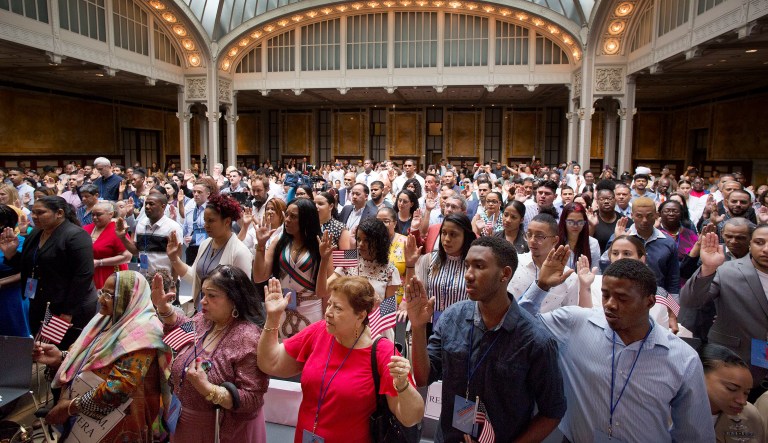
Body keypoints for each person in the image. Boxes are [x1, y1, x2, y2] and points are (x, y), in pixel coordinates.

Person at [518, 255, 714, 442]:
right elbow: (516, 327)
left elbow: (694, 435)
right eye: (605, 295)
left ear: (650, 301)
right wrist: (541, 286)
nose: (610, 304)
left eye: (622, 298)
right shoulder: (574, 324)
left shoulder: (683, 359)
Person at [406, 236, 565, 442]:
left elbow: (552, 412)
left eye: (479, 266)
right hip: (449, 437)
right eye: (467, 266)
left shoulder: (536, 341)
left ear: (504, 274)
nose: (468, 275)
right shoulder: (452, 317)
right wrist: (418, 327)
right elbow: (423, 378)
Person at [257, 275, 424, 443]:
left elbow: (412, 417)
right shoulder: (319, 331)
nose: (328, 312)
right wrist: (273, 317)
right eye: (329, 303)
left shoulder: (383, 352)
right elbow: (270, 363)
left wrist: (403, 386)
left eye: (337, 308)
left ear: (360, 316)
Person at [33, 271, 169, 440]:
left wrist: (69, 408)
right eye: (101, 292)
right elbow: (95, 357)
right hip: (88, 421)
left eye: (109, 295)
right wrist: (61, 357)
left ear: (129, 298)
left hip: (119, 424)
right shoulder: (106, 319)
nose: (101, 300)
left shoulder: (145, 333)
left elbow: (118, 388)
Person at [153, 265, 269, 442]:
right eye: (203, 294)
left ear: (234, 299)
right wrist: (163, 307)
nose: (203, 301)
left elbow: (252, 398)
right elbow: (183, 327)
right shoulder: (204, 319)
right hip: (183, 423)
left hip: (220, 431)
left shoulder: (247, 337)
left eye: (212, 296)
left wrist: (209, 389)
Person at [681, 228, 768, 402]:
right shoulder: (726, 270)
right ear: (750, 244)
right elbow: (691, 301)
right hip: (735, 362)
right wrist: (708, 268)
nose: (766, 249)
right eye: (760, 242)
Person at [0, 196, 96, 349]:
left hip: (68, 304)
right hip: (40, 301)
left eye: (40, 212)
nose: (34, 216)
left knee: (60, 349)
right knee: (40, 348)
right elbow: (31, 266)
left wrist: (68, 312)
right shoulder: (36, 233)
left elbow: (83, 275)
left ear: (59, 213)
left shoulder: (76, 235)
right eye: (33, 212)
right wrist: (11, 254)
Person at [253, 198, 329, 337]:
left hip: (311, 310)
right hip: (281, 308)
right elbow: (259, 277)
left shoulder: (321, 246)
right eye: (286, 214)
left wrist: (326, 317)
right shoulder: (278, 241)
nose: (287, 220)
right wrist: (261, 246)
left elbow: (324, 291)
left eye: (293, 216)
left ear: (306, 219)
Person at [578, 235, 680, 332]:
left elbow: (662, 334)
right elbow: (585, 323)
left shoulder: (657, 294)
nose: (619, 258)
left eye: (627, 254)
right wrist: (585, 287)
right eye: (615, 253)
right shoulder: (593, 282)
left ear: (641, 259)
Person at [168, 194, 252, 307]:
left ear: (227, 221)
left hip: (225, 314)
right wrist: (174, 258)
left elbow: (244, 294)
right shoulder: (205, 244)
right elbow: (194, 277)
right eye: (205, 220)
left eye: (211, 221)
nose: (206, 225)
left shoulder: (240, 252)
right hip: (202, 310)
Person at [508, 213, 579, 313]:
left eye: (539, 236)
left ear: (555, 240)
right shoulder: (514, 263)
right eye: (529, 234)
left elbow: (570, 315)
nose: (532, 240)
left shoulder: (569, 278)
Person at [699, 344, 765, 442]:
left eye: (746, 393)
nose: (742, 401)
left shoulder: (750, 415)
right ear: (700, 375)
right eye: (732, 389)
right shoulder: (676, 411)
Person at [329, 218, 400, 302]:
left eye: (366, 240)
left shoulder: (390, 270)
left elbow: (389, 309)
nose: (361, 244)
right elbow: (321, 291)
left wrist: (376, 299)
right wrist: (324, 259)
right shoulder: (350, 256)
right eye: (358, 239)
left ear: (379, 242)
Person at [116, 193, 184, 276]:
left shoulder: (173, 227)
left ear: (163, 206)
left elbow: (177, 258)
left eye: (151, 204)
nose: (147, 207)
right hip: (144, 276)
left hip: (166, 278)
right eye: (146, 204)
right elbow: (135, 251)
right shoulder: (141, 224)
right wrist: (123, 238)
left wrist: (173, 281)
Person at [84, 201, 132, 289]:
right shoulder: (86, 229)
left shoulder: (117, 230)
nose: (94, 217)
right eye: (92, 214)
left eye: (98, 214)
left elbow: (127, 257)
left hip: (112, 275)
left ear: (111, 214)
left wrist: (99, 262)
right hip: (90, 274)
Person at [0, 204, 30, 337]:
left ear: (2, 224)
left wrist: (1, 282)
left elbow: (28, 271)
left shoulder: (19, 242)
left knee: (14, 339)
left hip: (10, 297)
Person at [376, 207, 408, 304]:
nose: (381, 225)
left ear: (395, 223)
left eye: (386, 221)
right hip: (374, 300)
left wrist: (405, 301)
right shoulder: (369, 242)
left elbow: (412, 275)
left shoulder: (405, 242)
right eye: (378, 221)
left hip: (398, 300)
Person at [558, 202, 600, 270]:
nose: (575, 226)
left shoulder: (593, 243)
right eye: (570, 222)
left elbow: (595, 270)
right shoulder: (555, 241)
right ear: (564, 222)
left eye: (580, 222)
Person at [658, 200, 699, 264]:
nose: (671, 214)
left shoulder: (690, 234)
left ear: (681, 214)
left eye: (675, 211)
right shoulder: (655, 233)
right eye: (667, 211)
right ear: (660, 213)